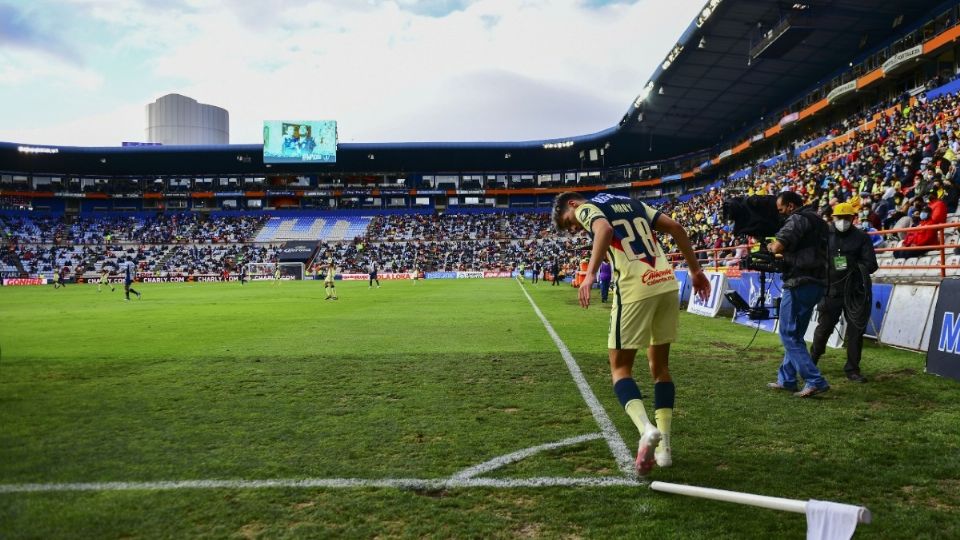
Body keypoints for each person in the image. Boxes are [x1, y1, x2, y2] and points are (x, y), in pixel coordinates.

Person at [553, 191, 710, 477]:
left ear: (573, 204)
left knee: (620, 369)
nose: (574, 228)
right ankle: (664, 451)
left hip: (635, 288)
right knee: (660, 367)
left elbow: (604, 228)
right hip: (666, 283)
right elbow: (677, 228)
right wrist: (695, 270)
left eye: (569, 221)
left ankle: (646, 429)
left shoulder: (588, 208)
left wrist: (589, 274)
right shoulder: (632, 203)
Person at [765, 191, 830, 398]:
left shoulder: (797, 219)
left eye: (781, 209)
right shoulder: (819, 221)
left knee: (788, 334)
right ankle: (787, 379)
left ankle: (815, 380)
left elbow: (778, 245)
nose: (780, 213)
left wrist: (770, 246)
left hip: (799, 281)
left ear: (791, 206)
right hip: (818, 282)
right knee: (796, 335)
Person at [809, 203, 878, 383]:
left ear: (853, 218)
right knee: (823, 330)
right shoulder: (824, 235)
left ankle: (853, 370)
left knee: (856, 332)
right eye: (840, 218)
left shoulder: (861, 238)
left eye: (847, 218)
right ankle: (811, 362)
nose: (843, 221)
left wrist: (851, 265)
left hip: (854, 293)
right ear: (833, 218)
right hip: (830, 291)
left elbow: (871, 264)